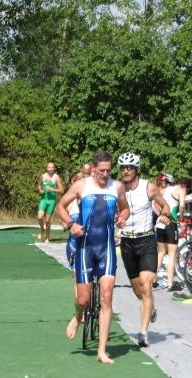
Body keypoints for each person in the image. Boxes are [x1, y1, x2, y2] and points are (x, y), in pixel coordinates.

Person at [55, 151, 130, 364]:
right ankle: (78, 316)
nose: (105, 174)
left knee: (107, 297)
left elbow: (125, 209)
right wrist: (71, 224)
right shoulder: (82, 186)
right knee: (83, 299)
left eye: (109, 170)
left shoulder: (117, 187)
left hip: (107, 248)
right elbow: (60, 206)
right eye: (102, 170)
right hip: (85, 248)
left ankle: (101, 351)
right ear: (94, 168)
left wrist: (122, 218)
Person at [115, 153, 172, 348]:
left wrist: (165, 216)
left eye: (130, 167)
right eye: (123, 168)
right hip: (127, 242)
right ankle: (151, 308)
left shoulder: (149, 187)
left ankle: (143, 332)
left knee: (147, 285)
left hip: (146, 240)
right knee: (138, 291)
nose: (126, 171)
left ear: (136, 169)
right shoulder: (116, 189)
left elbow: (165, 206)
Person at [156, 173, 186, 293]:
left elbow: (155, 205)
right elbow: (182, 205)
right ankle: (170, 283)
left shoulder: (162, 191)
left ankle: (153, 279)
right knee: (172, 254)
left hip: (160, 221)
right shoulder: (180, 189)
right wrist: (181, 218)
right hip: (171, 222)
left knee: (161, 252)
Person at [36, 162, 64, 243]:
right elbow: (39, 185)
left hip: (52, 201)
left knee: (48, 220)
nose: (50, 169)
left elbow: (61, 190)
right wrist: (40, 190)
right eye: (49, 167)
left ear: (54, 168)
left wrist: (52, 189)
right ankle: (42, 229)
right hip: (44, 199)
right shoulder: (43, 176)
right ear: (46, 168)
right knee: (40, 217)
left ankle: (47, 237)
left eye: (52, 167)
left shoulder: (56, 177)